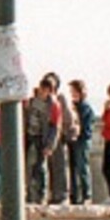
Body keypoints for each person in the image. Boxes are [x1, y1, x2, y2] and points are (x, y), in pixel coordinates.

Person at [43, 73, 77, 205]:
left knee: (60, 165)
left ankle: (62, 194)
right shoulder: (44, 100)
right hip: (47, 136)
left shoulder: (60, 99)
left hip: (59, 135)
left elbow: (67, 117)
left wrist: (68, 132)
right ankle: (53, 193)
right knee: (50, 166)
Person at [25, 78, 59, 206]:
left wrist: (50, 145)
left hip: (42, 136)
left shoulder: (53, 105)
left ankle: (42, 195)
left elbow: (55, 126)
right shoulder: (32, 101)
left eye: (46, 90)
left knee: (40, 166)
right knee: (28, 166)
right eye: (42, 88)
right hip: (29, 134)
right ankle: (29, 193)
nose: (43, 92)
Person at [69, 80, 95, 206]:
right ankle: (75, 195)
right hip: (75, 141)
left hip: (82, 140)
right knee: (74, 168)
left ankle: (86, 195)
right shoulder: (74, 105)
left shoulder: (85, 107)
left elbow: (83, 124)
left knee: (82, 167)